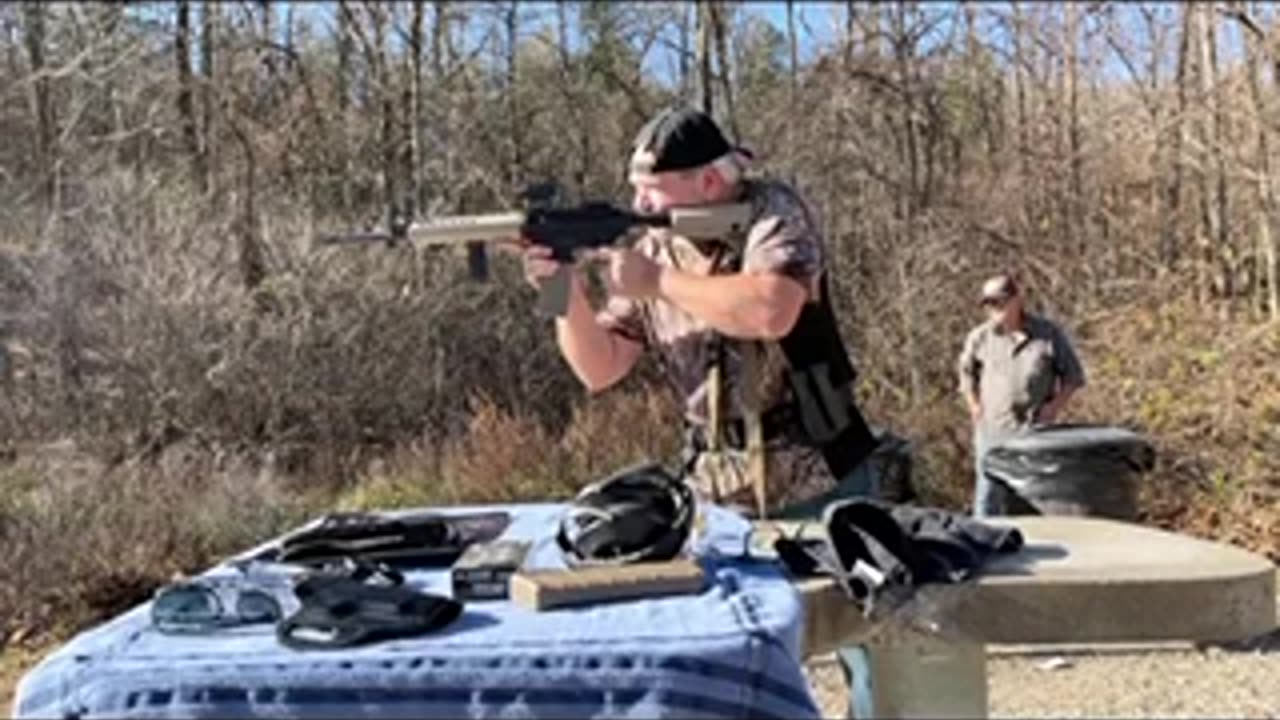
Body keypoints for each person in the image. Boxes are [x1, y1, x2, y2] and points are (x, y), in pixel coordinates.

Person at [521, 105, 879, 520]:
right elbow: (600, 369)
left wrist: (658, 282)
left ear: (709, 182)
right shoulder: (655, 247)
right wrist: (563, 292)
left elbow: (770, 310)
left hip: (816, 481)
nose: (640, 202)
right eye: (636, 188)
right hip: (714, 493)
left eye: (652, 188)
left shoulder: (771, 210)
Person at [957, 272, 1087, 517]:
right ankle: (985, 547)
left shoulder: (1047, 334)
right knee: (987, 499)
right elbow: (966, 375)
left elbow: (1073, 377)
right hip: (992, 431)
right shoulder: (980, 338)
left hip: (1033, 432)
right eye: (989, 304)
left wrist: (1053, 408)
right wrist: (974, 405)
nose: (994, 309)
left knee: (1033, 499)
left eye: (999, 302)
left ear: (1016, 299)